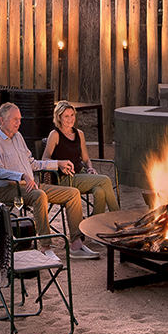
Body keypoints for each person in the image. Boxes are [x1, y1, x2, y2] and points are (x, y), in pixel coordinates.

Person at [0, 101, 82, 246]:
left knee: (73, 193)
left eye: (20, 119)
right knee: (39, 195)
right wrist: (22, 176)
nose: (19, 122)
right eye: (15, 119)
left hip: (31, 186)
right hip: (8, 189)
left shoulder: (18, 137)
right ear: (2, 120)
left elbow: (33, 163)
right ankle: (45, 245)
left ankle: (76, 243)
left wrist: (58, 163)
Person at [38, 101, 116, 258]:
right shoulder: (55, 135)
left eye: (72, 115)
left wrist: (90, 168)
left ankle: (94, 230)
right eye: (66, 116)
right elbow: (44, 159)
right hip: (64, 179)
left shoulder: (79, 134)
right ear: (59, 117)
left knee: (100, 191)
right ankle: (119, 217)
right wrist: (59, 165)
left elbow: (86, 159)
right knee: (106, 180)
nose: (70, 119)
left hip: (80, 175)